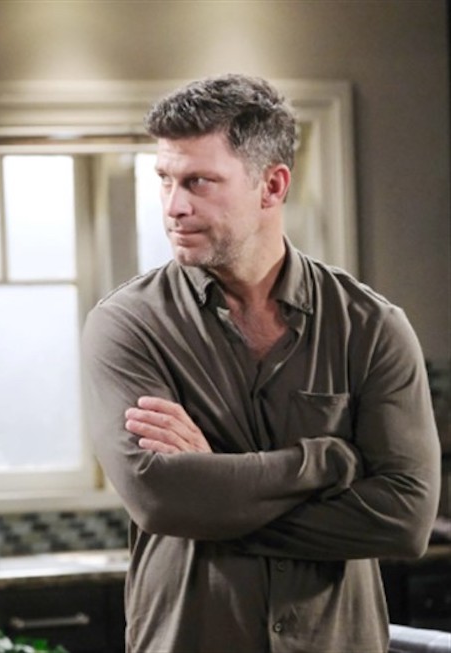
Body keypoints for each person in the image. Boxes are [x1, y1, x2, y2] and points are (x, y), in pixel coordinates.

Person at [81, 73, 441, 653]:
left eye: (199, 182)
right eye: (165, 179)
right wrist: (324, 462)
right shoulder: (128, 325)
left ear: (272, 186)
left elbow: (403, 520)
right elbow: (161, 499)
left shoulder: (372, 327)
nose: (174, 206)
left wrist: (215, 498)